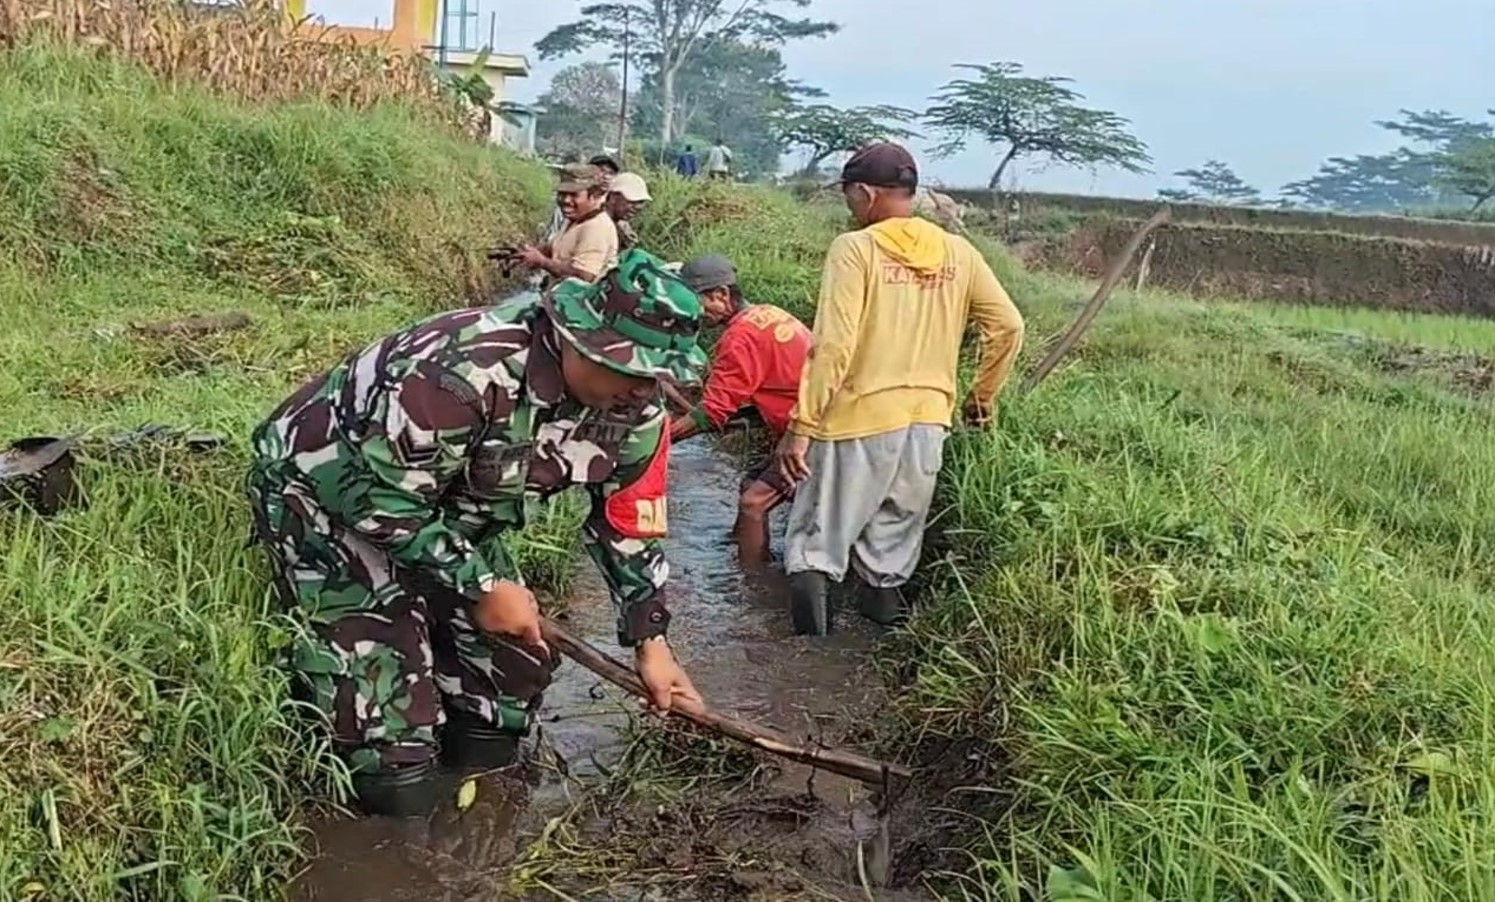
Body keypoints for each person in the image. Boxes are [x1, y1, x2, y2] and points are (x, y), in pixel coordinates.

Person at [245, 249, 710, 818]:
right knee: (387, 717)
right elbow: (378, 502)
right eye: (630, 370)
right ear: (575, 336)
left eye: (655, 376)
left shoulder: (638, 415)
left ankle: (478, 809)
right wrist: (482, 583)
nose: (642, 391)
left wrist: (651, 641)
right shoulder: (463, 369)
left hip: (449, 509)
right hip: (331, 494)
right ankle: (400, 818)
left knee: (512, 670)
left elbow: (628, 525)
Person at [774, 143, 1026, 635]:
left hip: (855, 418)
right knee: (890, 548)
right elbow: (1009, 326)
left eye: (850, 197)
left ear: (865, 194)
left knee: (815, 545)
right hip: (928, 423)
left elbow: (833, 345)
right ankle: (876, 660)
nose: (850, 208)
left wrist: (801, 427)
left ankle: (802, 664)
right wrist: (981, 400)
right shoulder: (958, 251)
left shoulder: (856, 249)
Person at [668, 254, 812, 564]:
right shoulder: (767, 313)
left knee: (753, 503)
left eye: (694, 302)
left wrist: (662, 438)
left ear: (721, 295)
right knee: (750, 481)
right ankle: (740, 548)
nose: (691, 313)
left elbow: (713, 413)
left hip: (815, 433)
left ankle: (752, 584)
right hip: (815, 420)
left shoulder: (738, 338)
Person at [520, 163, 618, 288]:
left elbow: (584, 277)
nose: (565, 200)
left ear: (593, 196)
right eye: (562, 194)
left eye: (574, 195)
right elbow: (556, 249)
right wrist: (526, 253)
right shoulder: (575, 219)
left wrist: (542, 262)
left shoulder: (596, 228)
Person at [542, 155, 621, 245]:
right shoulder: (568, 205)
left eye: (610, 173)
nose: (606, 177)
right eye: (601, 171)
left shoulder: (614, 207)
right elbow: (553, 235)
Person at [606, 172, 652, 252]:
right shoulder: (598, 223)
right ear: (613, 197)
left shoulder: (622, 226)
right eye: (632, 201)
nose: (637, 207)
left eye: (640, 202)